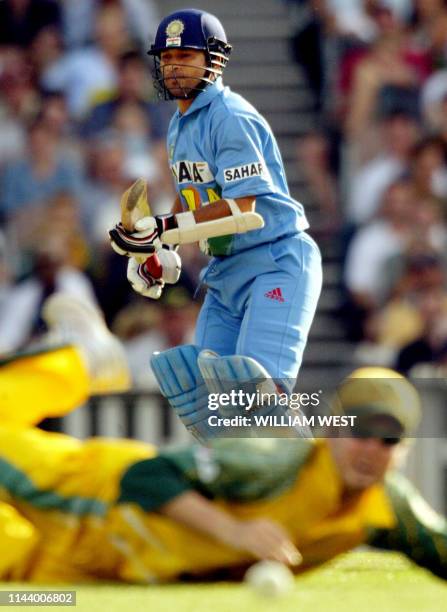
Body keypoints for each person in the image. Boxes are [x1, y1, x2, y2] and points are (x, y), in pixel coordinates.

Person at [1, 352, 447, 583]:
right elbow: (145, 478)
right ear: (331, 427)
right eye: (359, 431)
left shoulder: (386, 508)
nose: (371, 450)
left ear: (404, 450)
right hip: (91, 500)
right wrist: (235, 533)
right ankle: (76, 364)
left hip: (106, 566)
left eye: (388, 440)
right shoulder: (276, 460)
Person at [109, 8, 323, 441]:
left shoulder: (230, 116)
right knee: (210, 400)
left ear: (214, 60)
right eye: (167, 58)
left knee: (259, 396)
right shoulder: (179, 125)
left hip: (274, 260)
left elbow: (239, 206)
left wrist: (163, 227)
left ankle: (319, 480)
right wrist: (160, 253)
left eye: (186, 56)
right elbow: (191, 198)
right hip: (224, 272)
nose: (173, 67)